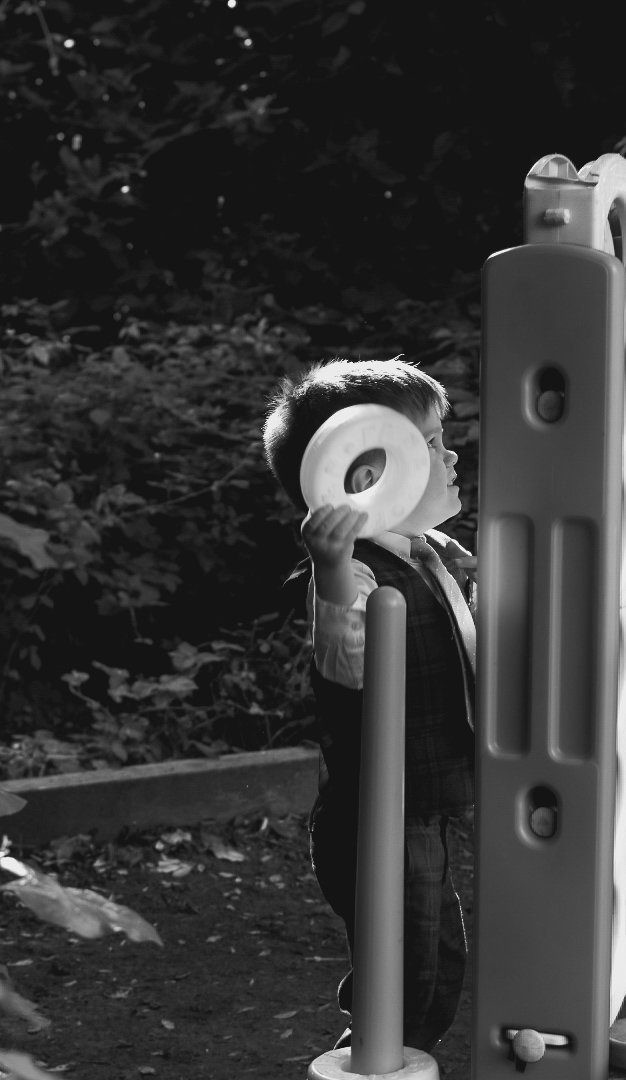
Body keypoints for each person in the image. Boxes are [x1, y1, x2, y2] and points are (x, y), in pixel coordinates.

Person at [261, 357, 475, 1054]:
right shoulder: (351, 571)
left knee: (435, 962)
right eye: (432, 443)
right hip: (378, 816)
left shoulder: (422, 553)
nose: (451, 455)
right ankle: (373, 1060)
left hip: (420, 800)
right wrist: (329, 572)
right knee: (406, 972)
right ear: (364, 479)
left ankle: (393, 1053)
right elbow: (346, 664)